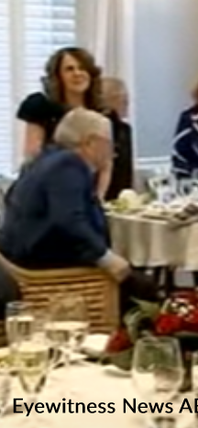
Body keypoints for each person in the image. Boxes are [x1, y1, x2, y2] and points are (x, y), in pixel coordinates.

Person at [0, 109, 158, 307]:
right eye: (109, 144)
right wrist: (107, 259)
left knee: (137, 277)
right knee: (146, 290)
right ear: (90, 142)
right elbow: (69, 221)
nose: (113, 152)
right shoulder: (68, 165)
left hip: (22, 256)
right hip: (44, 263)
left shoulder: (47, 159)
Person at [16, 47, 113, 199]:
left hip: (87, 194)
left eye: (82, 68)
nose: (77, 73)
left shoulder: (102, 114)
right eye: (69, 69)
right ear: (58, 76)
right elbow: (33, 156)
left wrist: (97, 200)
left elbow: (105, 164)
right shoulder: (41, 106)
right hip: (47, 192)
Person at [101, 77, 134, 201]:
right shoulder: (100, 127)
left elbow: (127, 172)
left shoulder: (125, 129)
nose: (127, 101)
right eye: (122, 97)